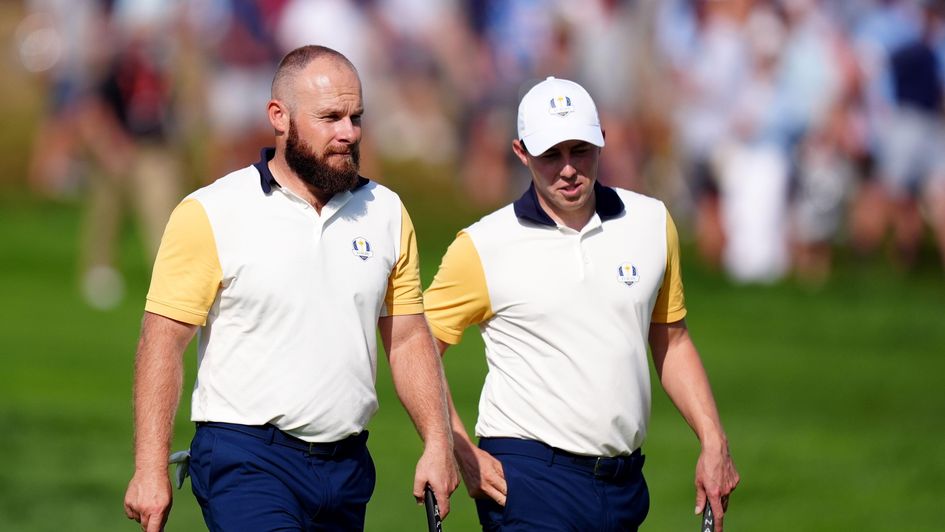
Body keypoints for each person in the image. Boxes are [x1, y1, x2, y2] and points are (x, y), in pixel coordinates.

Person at [123, 45, 458, 532]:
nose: (348, 132)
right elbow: (162, 340)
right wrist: (150, 469)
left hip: (347, 468)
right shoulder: (212, 212)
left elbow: (407, 337)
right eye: (330, 117)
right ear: (279, 117)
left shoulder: (386, 212)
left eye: (355, 116)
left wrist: (437, 444)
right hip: (246, 458)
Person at [423, 76, 739, 531]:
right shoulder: (483, 244)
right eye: (551, 154)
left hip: (624, 484)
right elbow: (419, 347)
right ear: (521, 152)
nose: (568, 168)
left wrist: (713, 440)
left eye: (580, 150)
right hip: (527, 477)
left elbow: (671, 338)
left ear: (602, 143)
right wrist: (455, 446)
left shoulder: (650, 223)